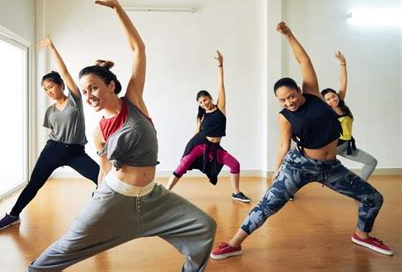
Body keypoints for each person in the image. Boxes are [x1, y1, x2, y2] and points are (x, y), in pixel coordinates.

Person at [29, 0, 216, 271]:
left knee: (204, 226)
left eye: (93, 87)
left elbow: (138, 49)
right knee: (68, 246)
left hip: (153, 198)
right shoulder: (98, 131)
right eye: (84, 91)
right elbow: (104, 170)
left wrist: (117, 8)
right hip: (114, 197)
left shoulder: (134, 101)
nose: (89, 95)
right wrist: (97, 199)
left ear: (110, 86)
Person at [210, 22, 392, 260]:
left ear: (299, 89)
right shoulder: (285, 117)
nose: (289, 102)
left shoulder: (314, 95)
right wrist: (277, 170)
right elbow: (283, 144)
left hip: (331, 167)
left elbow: (304, 62)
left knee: (373, 198)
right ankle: (234, 243)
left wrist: (289, 35)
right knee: (268, 204)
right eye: (283, 100)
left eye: (291, 96)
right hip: (300, 165)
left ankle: (362, 235)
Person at [0, 37, 99, 232]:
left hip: (75, 152)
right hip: (53, 150)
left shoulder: (75, 100)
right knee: (34, 184)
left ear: (61, 85)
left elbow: (65, 71)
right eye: (45, 89)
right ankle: (13, 216)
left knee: (103, 179)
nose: (48, 91)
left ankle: (96, 214)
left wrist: (51, 47)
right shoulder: (50, 111)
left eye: (51, 86)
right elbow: (54, 133)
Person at [166, 51, 251, 203]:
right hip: (199, 144)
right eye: (200, 102)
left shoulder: (221, 108)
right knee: (183, 165)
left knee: (234, 164)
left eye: (205, 100)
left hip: (214, 147)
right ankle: (165, 192)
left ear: (210, 98)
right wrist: (189, 150)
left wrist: (220, 65)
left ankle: (236, 193)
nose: (204, 103)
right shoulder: (201, 116)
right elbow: (196, 133)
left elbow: (221, 84)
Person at [321, 51, 377, 181]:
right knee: (312, 169)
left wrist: (343, 63)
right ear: (324, 103)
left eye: (333, 96)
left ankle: (359, 187)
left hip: (347, 146)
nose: (332, 100)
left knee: (371, 162)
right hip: (335, 147)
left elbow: (343, 81)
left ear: (337, 95)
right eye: (328, 99)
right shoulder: (327, 112)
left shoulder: (341, 104)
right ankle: (290, 188)